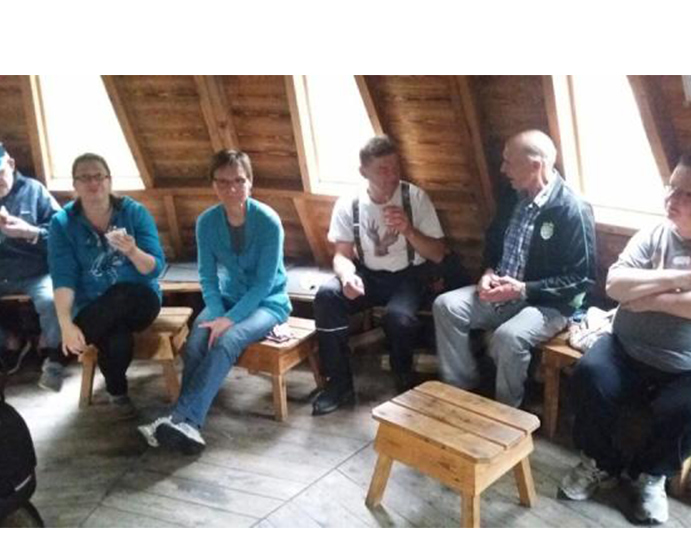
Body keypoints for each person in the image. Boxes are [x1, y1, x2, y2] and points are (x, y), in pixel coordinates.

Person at [559, 150, 691, 525]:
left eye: (686, 193)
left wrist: (649, 299)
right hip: (630, 347)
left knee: (687, 412)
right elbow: (616, 284)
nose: (671, 199)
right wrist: (681, 280)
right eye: (670, 188)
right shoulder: (653, 234)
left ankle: (650, 476)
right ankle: (600, 462)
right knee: (589, 377)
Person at [138, 150, 290, 454]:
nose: (231, 188)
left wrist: (228, 321)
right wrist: (219, 314)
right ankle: (184, 423)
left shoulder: (268, 222)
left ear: (250, 182)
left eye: (239, 181)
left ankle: (184, 419)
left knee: (226, 341)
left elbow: (263, 284)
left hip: (267, 303)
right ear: (213, 185)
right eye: (222, 182)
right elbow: (207, 277)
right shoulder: (206, 222)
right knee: (196, 342)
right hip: (227, 298)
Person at [433, 130, 596, 408]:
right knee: (446, 305)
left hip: (548, 304)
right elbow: (494, 240)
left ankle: (508, 412)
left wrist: (522, 289)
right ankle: (461, 390)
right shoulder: (512, 195)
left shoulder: (573, 209)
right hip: (502, 291)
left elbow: (581, 279)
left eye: (509, 162)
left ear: (535, 166)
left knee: (508, 338)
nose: (502, 169)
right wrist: (487, 272)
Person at [310, 135, 448, 416]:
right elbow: (341, 255)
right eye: (382, 169)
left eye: (395, 167)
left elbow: (438, 254)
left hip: (410, 275)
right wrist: (347, 276)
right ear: (363, 172)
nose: (391, 175)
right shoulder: (349, 203)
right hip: (369, 274)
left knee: (399, 318)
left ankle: (403, 381)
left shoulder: (414, 198)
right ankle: (338, 384)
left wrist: (408, 230)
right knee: (327, 296)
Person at [48, 153, 165, 405]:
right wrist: (66, 324)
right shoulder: (62, 223)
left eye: (98, 176)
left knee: (122, 293)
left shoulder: (134, 213)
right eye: (85, 178)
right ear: (75, 184)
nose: (93, 183)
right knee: (116, 337)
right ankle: (118, 393)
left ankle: (58, 357)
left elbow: (155, 269)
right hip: (93, 308)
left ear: (109, 180)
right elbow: (63, 277)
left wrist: (133, 252)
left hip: (141, 300)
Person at [0, 143, 65, 390]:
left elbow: (62, 236)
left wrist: (29, 232)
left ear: (11, 164)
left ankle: (54, 355)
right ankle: (10, 342)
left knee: (51, 299)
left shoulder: (34, 191)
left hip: (36, 270)